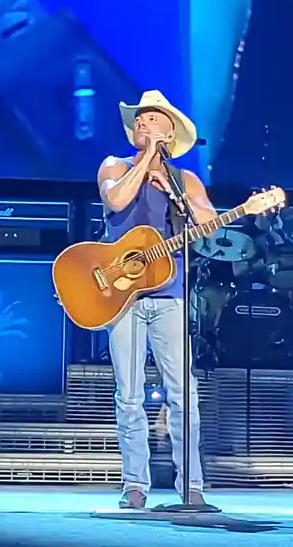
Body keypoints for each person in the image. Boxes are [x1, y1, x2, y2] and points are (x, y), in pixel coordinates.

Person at [98, 90, 218, 508]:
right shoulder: (115, 165)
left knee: (183, 394)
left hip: (170, 296)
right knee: (129, 395)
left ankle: (192, 486)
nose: (142, 124)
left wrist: (170, 187)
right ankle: (134, 486)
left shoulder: (185, 181)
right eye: (139, 120)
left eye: (152, 119)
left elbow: (208, 224)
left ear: (169, 133)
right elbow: (116, 199)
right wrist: (146, 160)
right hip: (122, 298)